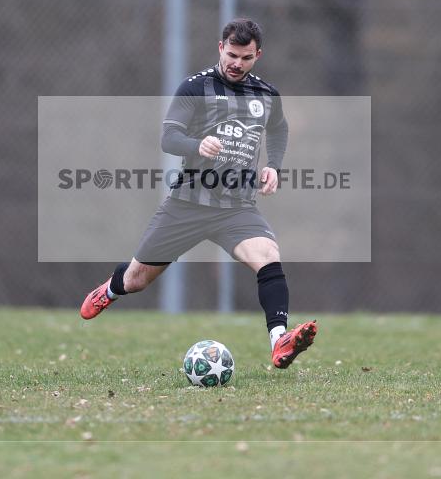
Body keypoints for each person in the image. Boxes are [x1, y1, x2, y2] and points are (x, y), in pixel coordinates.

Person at [81, 19, 317, 369]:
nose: (237, 63)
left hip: (237, 207)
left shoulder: (266, 94)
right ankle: (112, 288)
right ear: (221, 47)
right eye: (232, 55)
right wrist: (197, 144)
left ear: (258, 55)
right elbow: (169, 137)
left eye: (246, 57)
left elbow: (279, 128)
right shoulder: (195, 88)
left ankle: (279, 339)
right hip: (189, 203)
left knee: (268, 255)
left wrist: (274, 166)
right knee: (138, 279)